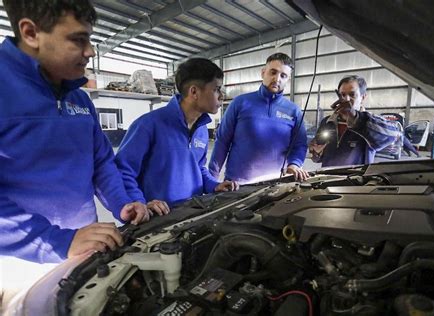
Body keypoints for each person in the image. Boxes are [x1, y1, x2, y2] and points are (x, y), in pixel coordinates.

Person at [0, 0, 157, 305]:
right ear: (31, 33)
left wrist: (123, 203)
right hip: (20, 263)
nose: (90, 52)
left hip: (84, 249)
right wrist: (59, 241)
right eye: (78, 39)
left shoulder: (80, 100)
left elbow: (101, 163)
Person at [115, 58, 238, 208]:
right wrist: (139, 204)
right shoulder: (148, 125)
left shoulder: (202, 129)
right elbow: (123, 172)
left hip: (192, 213)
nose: (221, 95)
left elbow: (198, 168)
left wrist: (214, 185)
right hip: (159, 219)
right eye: (216, 89)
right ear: (194, 92)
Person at [209, 53, 309, 184]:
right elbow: (222, 141)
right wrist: (211, 179)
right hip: (238, 184)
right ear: (263, 73)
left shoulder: (293, 111)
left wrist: (295, 164)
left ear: (288, 80)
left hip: (275, 184)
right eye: (273, 72)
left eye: (283, 76)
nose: (277, 79)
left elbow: (300, 145)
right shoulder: (240, 103)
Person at [309, 75, 399, 167]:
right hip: (330, 178)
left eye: (352, 95)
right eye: (343, 95)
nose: (346, 99)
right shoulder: (328, 122)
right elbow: (318, 156)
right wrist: (316, 153)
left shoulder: (371, 123)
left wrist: (356, 118)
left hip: (357, 179)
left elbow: (393, 134)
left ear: (363, 97)